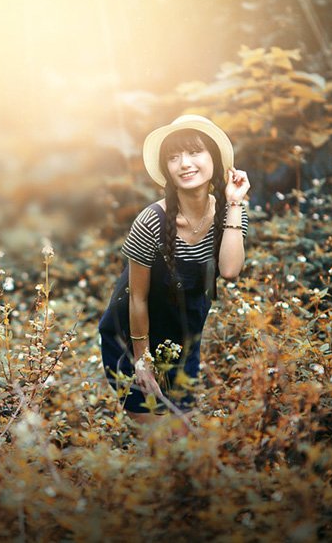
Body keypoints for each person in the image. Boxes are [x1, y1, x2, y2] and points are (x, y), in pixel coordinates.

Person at [98, 115, 250, 428]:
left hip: (184, 340)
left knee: (183, 446)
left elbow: (231, 271)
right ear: (167, 169)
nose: (185, 164)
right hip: (132, 341)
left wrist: (235, 204)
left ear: (214, 158)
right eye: (174, 156)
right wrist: (143, 361)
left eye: (195, 152)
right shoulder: (150, 222)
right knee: (158, 444)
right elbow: (137, 298)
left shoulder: (231, 214)